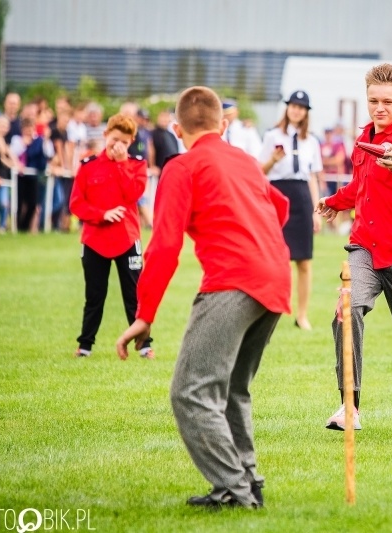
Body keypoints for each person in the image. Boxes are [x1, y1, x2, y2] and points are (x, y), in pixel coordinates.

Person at [115, 86, 292, 509]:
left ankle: (236, 490)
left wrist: (144, 315)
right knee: (231, 389)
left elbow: (164, 245)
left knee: (191, 392)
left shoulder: (183, 166)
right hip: (275, 278)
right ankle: (247, 482)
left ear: (177, 129)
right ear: (223, 124)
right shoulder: (246, 161)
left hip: (234, 280)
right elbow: (280, 208)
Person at [316, 63, 392, 432]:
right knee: (346, 307)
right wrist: (335, 201)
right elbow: (361, 186)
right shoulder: (362, 141)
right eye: (373, 100)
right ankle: (349, 406)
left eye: (388, 101)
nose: (380, 107)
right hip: (365, 248)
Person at [68, 113, 153, 359]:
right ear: (105, 135)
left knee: (135, 294)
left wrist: (122, 164)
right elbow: (76, 204)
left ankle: (145, 344)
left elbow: (133, 193)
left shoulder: (137, 165)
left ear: (131, 141)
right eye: (114, 139)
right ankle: (85, 346)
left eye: (125, 142)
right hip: (95, 240)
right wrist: (102, 214)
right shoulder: (88, 165)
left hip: (127, 239)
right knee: (94, 295)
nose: (118, 145)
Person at [260, 90, 323, 330]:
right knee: (277, 259)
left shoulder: (312, 141)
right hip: (278, 195)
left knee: (304, 261)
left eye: (301, 107)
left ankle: (302, 314)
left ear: (306, 112)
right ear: (287, 108)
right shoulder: (272, 136)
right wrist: (273, 160)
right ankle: (273, 310)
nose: (296, 110)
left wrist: (316, 210)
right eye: (292, 106)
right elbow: (261, 171)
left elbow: (313, 178)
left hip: (302, 198)